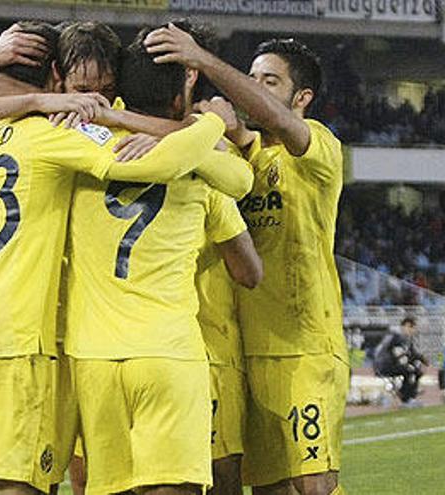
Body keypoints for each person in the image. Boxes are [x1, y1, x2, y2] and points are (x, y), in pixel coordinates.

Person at [0, 22, 247, 495]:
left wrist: (115, 118)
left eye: (106, 92)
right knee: (21, 481)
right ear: (56, 79)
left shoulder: (24, 123)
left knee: (21, 479)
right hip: (38, 340)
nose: (93, 102)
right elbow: (231, 175)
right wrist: (207, 124)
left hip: (25, 337)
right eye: (81, 90)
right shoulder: (62, 132)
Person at [145, 26, 348, 495]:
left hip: (305, 349)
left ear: (302, 97)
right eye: (252, 77)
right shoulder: (239, 158)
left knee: (311, 485)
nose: (254, 87)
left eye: (269, 81)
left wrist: (205, 58)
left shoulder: (318, 148)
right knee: (269, 488)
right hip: (245, 355)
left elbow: (274, 124)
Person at [64, 32, 256, 495]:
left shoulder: (86, 148)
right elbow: (242, 178)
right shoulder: (199, 164)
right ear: (179, 96)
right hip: (167, 351)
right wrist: (211, 125)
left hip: (93, 357)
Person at [373, 317, 427, 404]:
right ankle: (407, 397)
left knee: (416, 370)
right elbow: (398, 354)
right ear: (407, 326)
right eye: (413, 328)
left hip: (387, 364)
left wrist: (423, 360)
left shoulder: (401, 337)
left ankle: (407, 394)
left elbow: (412, 353)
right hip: (385, 365)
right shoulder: (397, 336)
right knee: (411, 371)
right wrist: (409, 365)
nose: (414, 332)